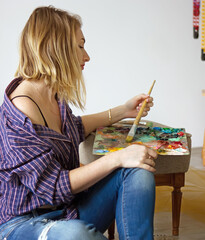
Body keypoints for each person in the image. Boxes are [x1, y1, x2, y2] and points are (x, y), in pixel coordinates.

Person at [0, 6, 157, 240]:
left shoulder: (52, 95)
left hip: (67, 211)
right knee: (75, 234)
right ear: (55, 48)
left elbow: (73, 128)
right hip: (22, 223)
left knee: (137, 173)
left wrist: (124, 111)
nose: (87, 56)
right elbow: (53, 186)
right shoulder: (19, 113)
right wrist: (118, 157)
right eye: (80, 46)